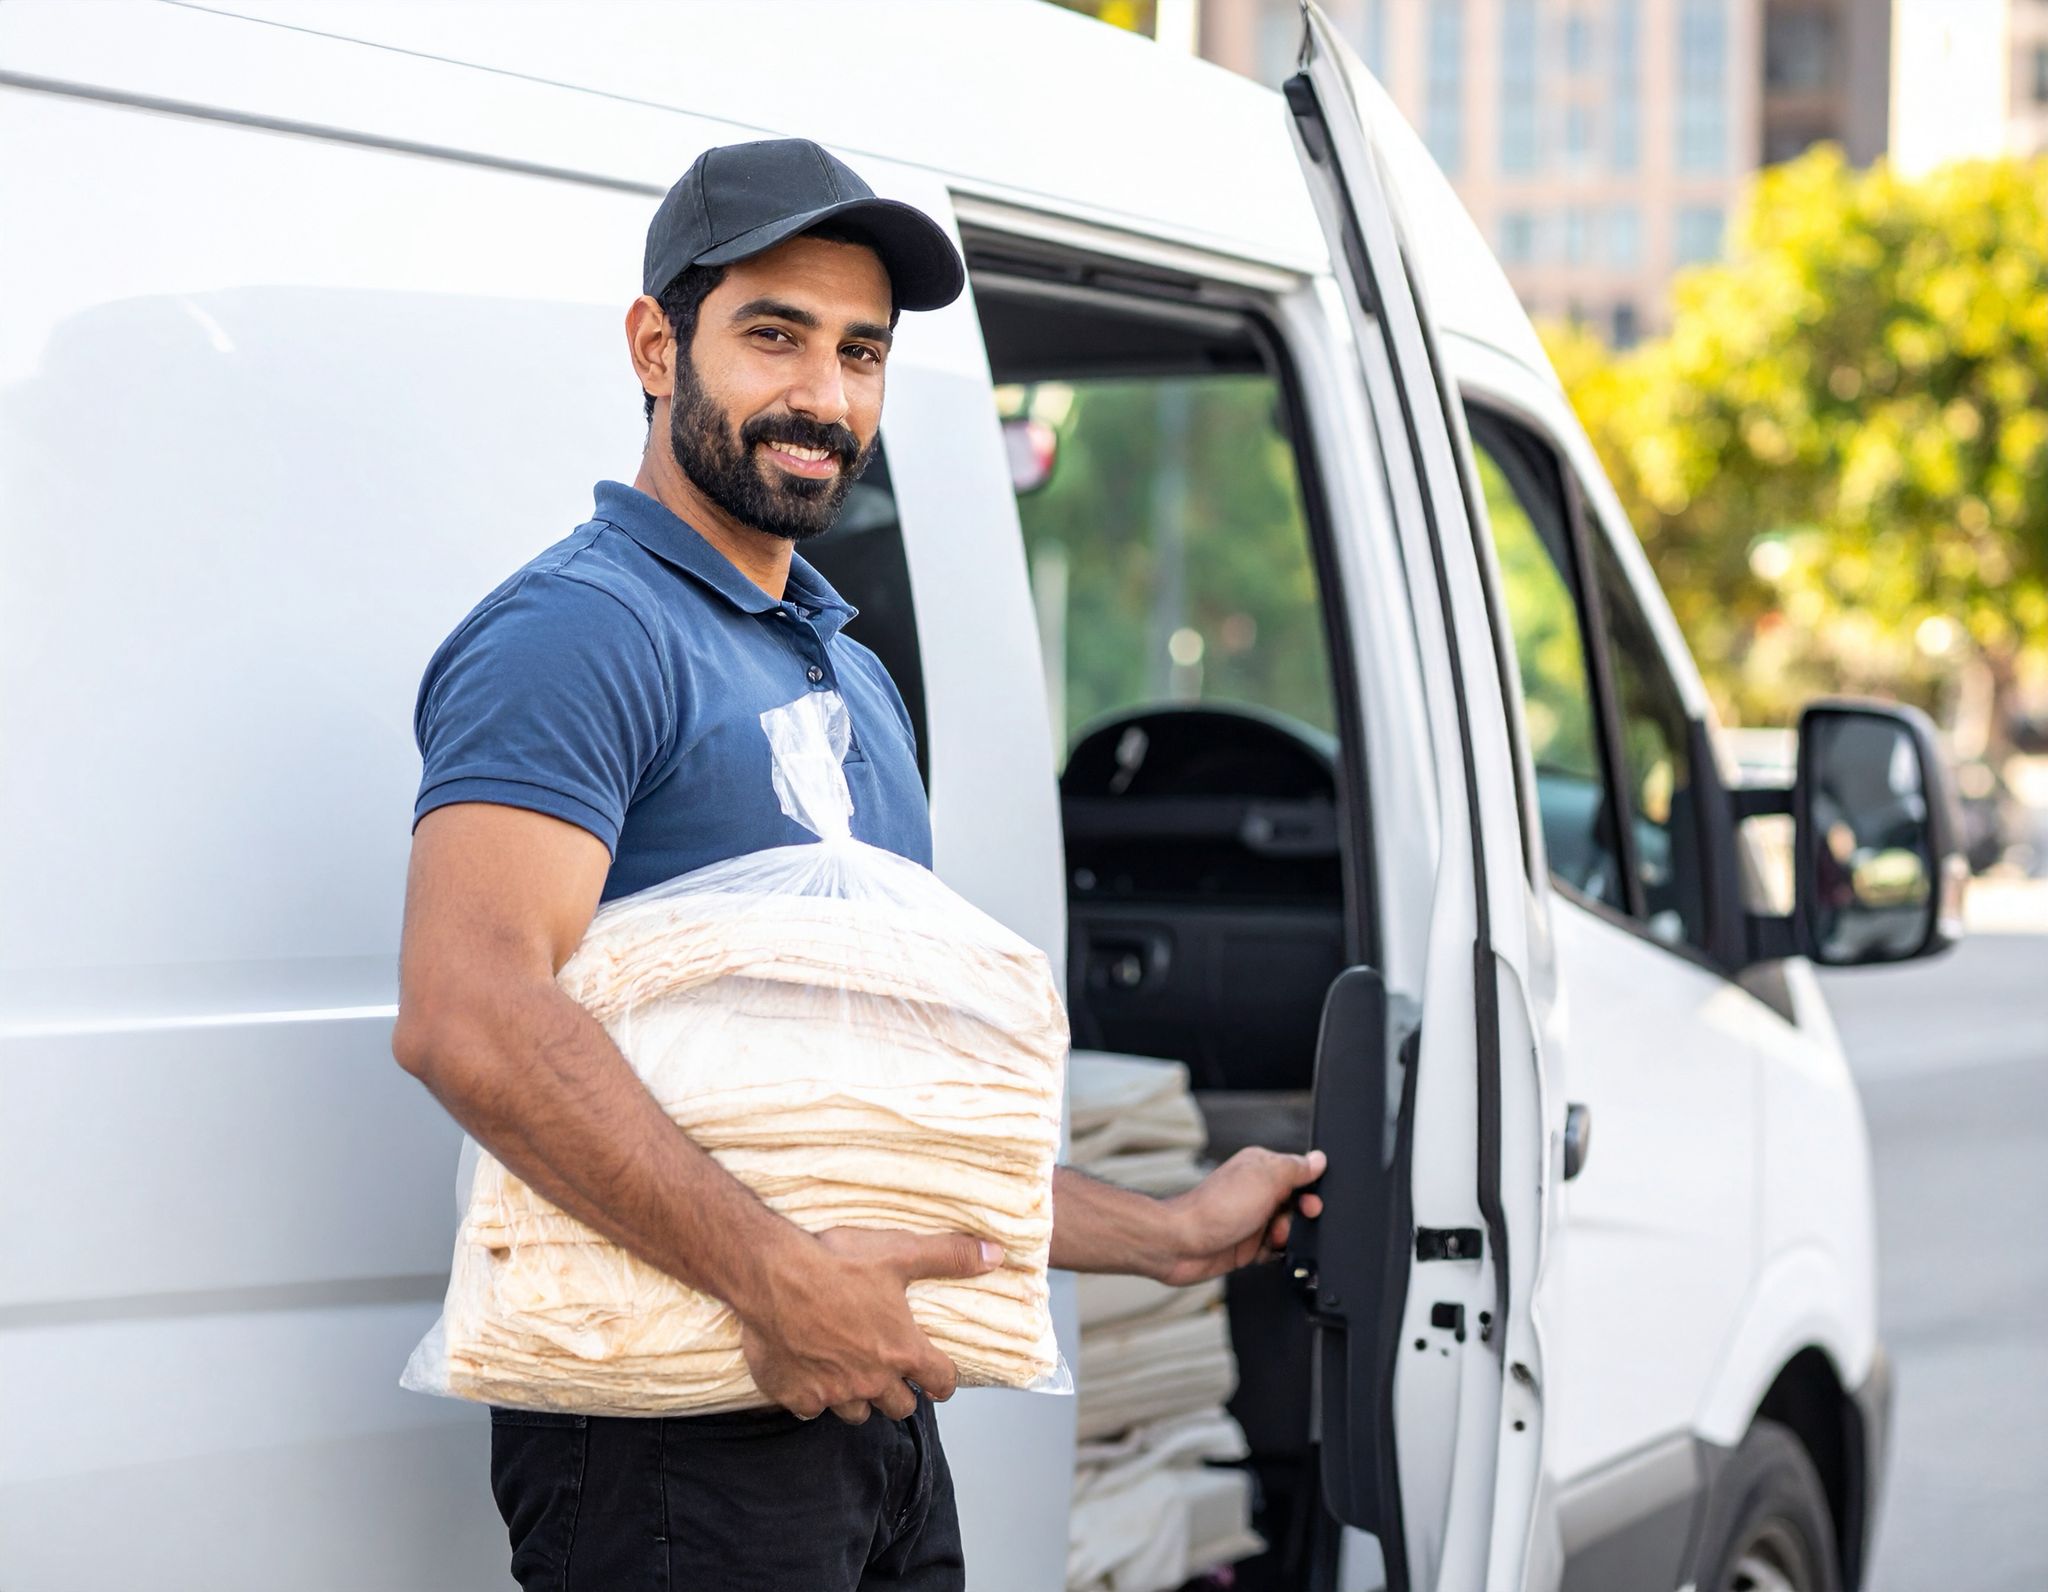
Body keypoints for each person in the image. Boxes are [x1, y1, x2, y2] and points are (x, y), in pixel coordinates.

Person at [392, 137, 1326, 1592]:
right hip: (668, 1438)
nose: (825, 398)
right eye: (774, 336)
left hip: (868, 1412)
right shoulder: (581, 632)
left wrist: (1167, 1233)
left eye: (862, 353)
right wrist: (784, 1281)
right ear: (656, 344)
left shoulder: (851, 680)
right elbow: (467, 1013)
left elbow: (888, 1122)